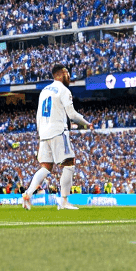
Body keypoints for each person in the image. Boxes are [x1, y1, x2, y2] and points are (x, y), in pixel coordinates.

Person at [23, 64, 92, 211]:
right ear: (59, 75)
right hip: (58, 131)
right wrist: (87, 124)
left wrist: (40, 133)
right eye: (66, 73)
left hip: (44, 133)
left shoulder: (44, 91)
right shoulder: (64, 90)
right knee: (69, 163)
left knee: (46, 167)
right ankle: (64, 201)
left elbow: (38, 115)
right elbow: (72, 115)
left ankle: (28, 193)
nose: (69, 76)